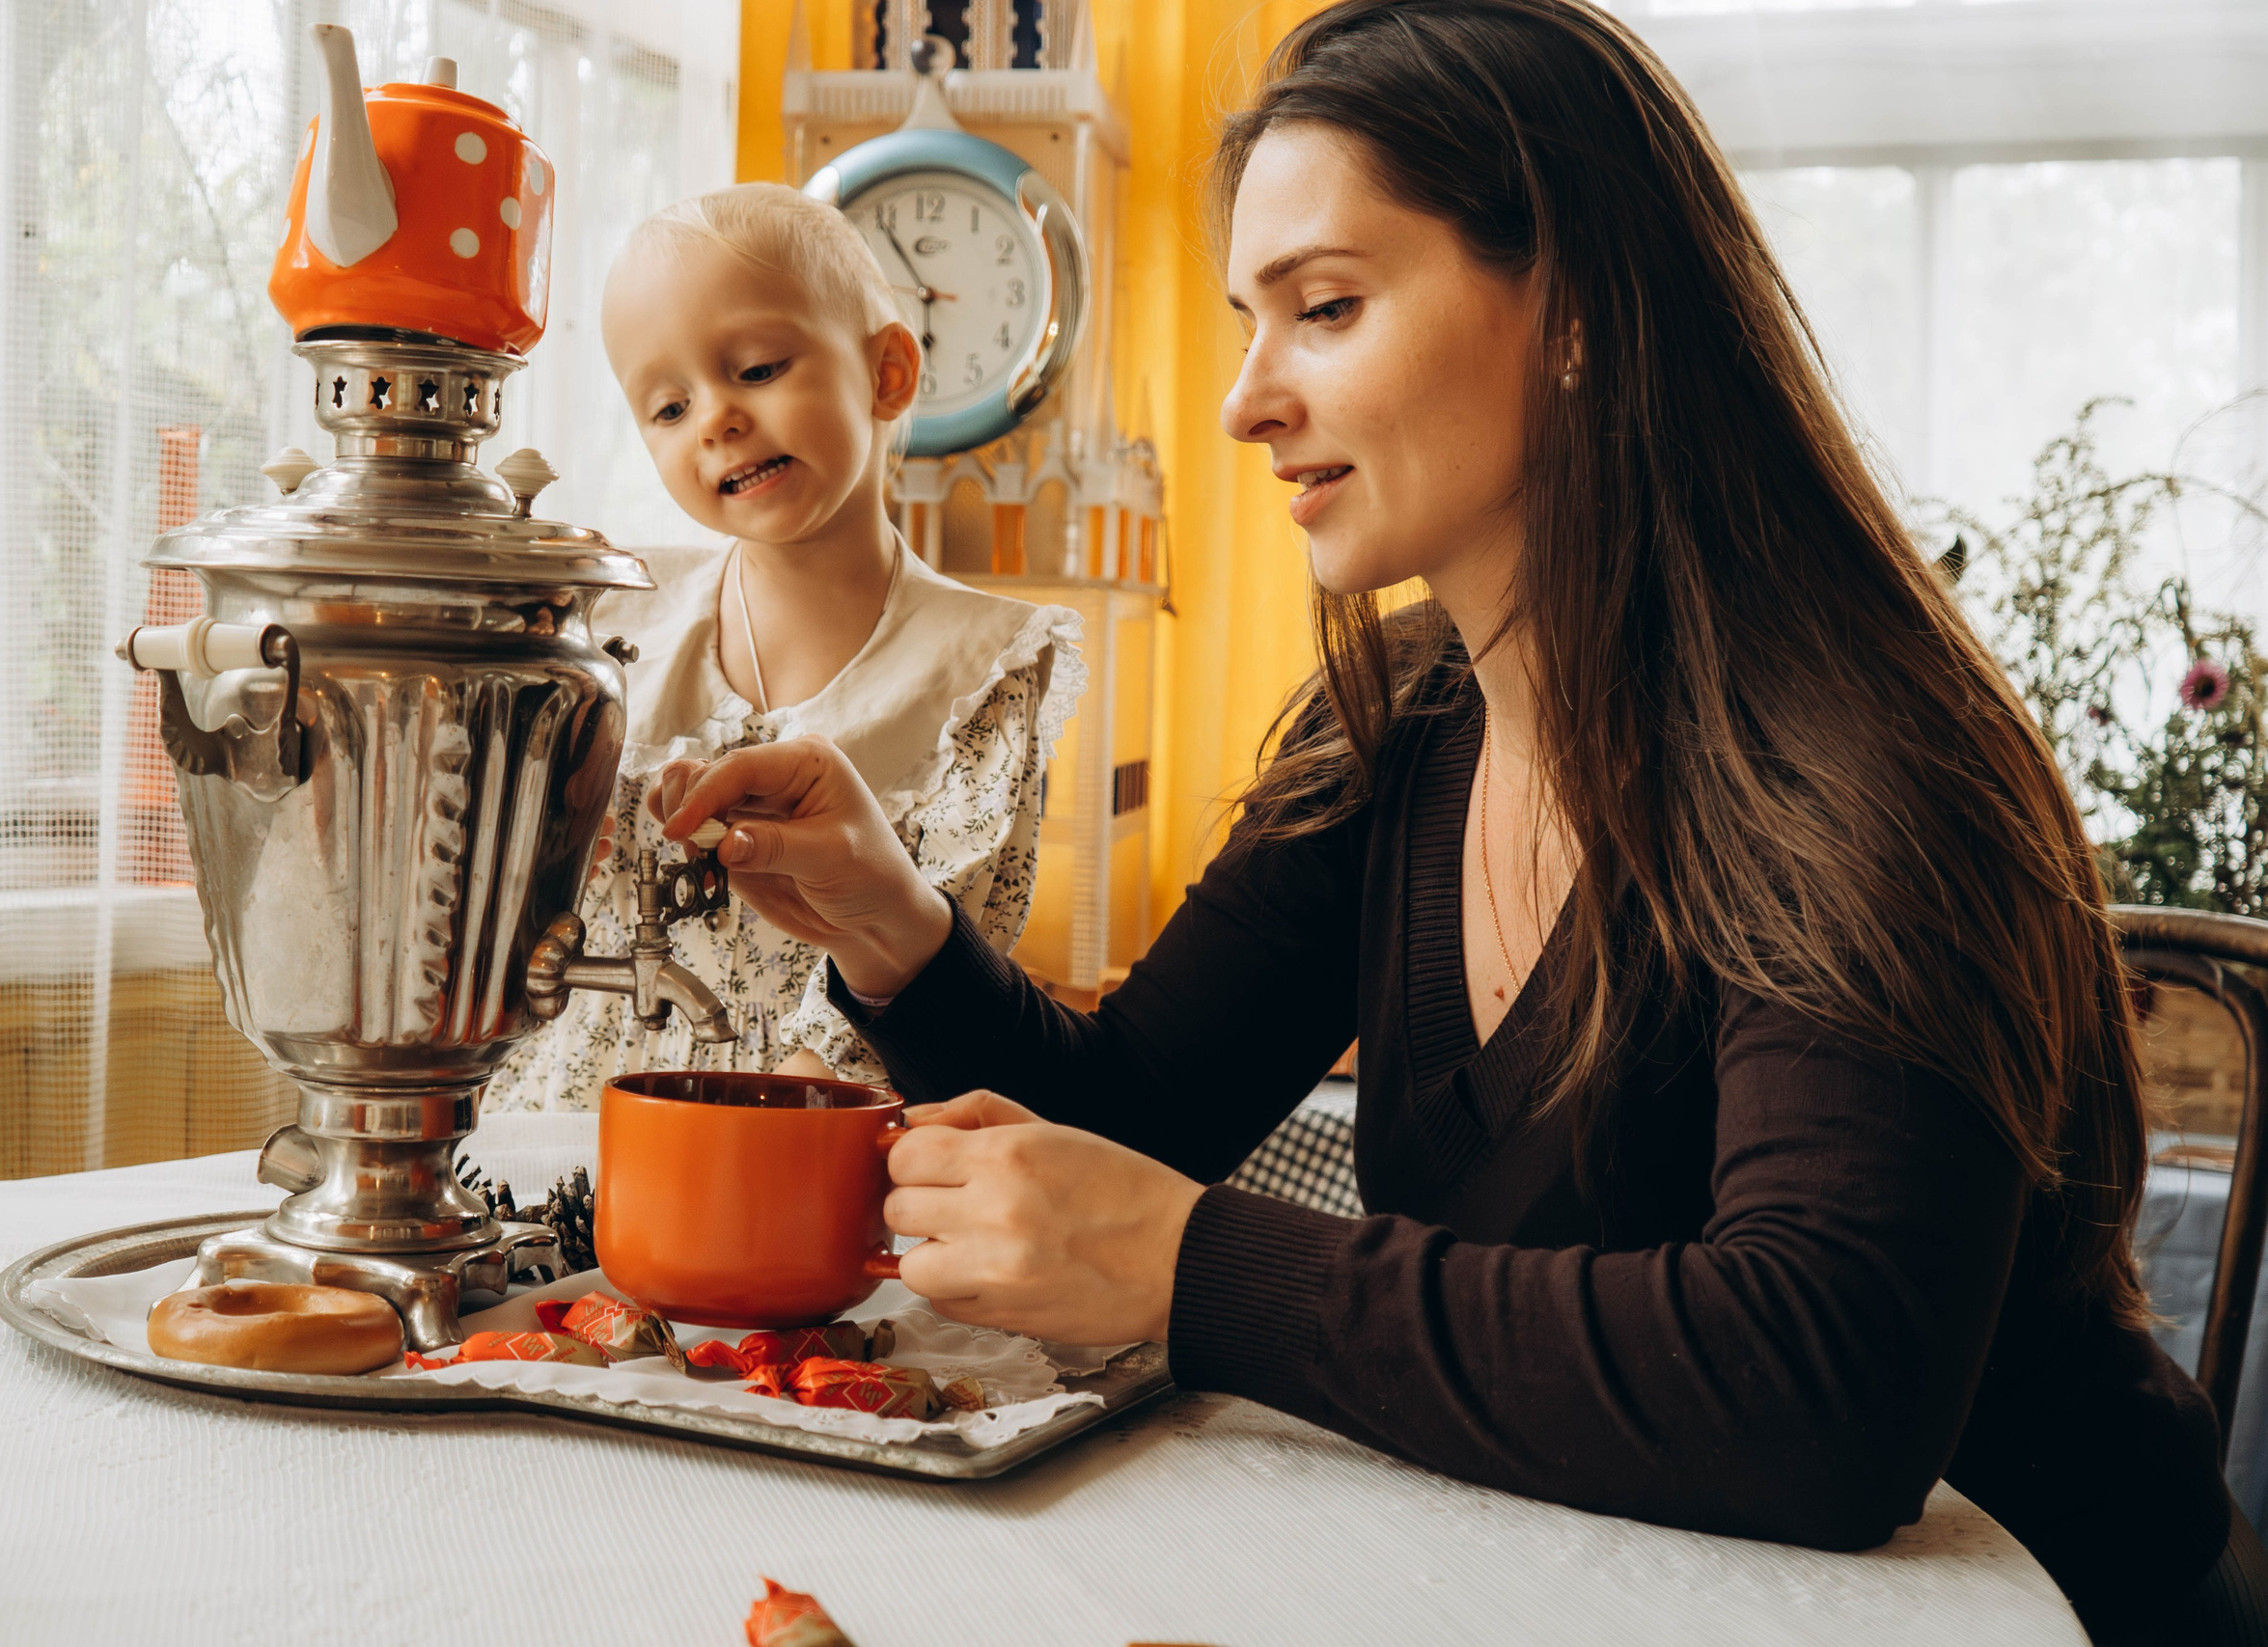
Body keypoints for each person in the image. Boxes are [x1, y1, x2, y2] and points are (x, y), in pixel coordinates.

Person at [640, 5, 2268, 1642]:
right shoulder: (1400, 724)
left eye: (1326, 308)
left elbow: (1816, 1385)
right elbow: (1135, 1117)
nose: (1247, 402)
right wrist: (892, 926)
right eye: (1248, 321)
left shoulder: (1855, 752)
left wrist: (1199, 1266)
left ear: (1573, 309)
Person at [486, 183, 1080, 1108]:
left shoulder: (984, 665)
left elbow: (926, 966)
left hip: (808, 1157)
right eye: (669, 407)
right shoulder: (613, 615)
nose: (716, 418)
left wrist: (745, 1169)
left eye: (758, 369)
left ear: (887, 373)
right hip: (563, 1133)